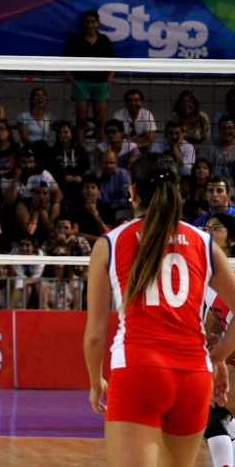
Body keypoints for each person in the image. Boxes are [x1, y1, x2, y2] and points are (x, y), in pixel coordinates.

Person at [83, 152, 235, 467]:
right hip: (193, 375)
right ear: (177, 191)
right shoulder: (204, 242)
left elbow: (96, 335)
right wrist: (217, 356)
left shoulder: (110, 243)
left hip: (138, 370)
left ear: (133, 192)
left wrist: (95, 381)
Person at [202, 212, 235, 467]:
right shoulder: (208, 275)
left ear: (232, 240)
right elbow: (212, 318)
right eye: (206, 227)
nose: (208, 232)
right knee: (217, 415)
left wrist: (218, 356)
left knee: (213, 412)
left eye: (216, 229)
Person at [63, 9, 115, 144]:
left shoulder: (104, 40)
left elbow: (113, 62)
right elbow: (65, 61)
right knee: (81, 120)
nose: (90, 25)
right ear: (83, 24)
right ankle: (81, 150)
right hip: (81, 83)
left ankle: (100, 150)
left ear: (98, 23)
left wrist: (108, 81)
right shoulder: (75, 40)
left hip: (100, 84)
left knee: (100, 121)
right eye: (87, 22)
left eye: (93, 22)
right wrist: (73, 81)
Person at [46, 120, 90, 205]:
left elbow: (86, 167)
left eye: (66, 132)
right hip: (61, 185)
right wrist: (64, 176)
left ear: (72, 133)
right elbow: (51, 169)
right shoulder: (52, 151)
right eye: (60, 132)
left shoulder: (80, 150)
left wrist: (80, 177)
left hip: (79, 184)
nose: (63, 135)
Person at [183, 158, 212, 222]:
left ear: (209, 172)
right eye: (198, 167)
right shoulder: (188, 186)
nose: (201, 170)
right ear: (194, 170)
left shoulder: (212, 188)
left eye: (205, 168)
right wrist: (195, 213)